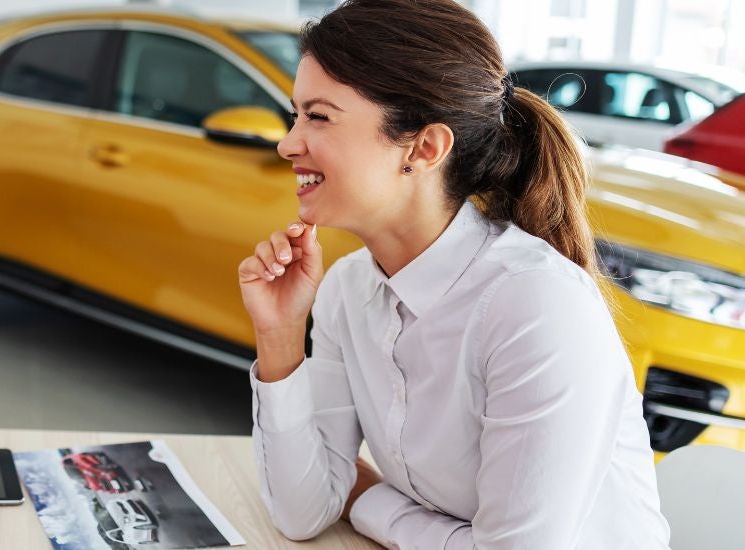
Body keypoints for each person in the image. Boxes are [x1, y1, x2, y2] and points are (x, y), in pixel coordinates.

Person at [237, 1, 670, 547]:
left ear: (425, 147)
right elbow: (303, 512)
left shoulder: (535, 303)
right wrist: (278, 338)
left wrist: (370, 500)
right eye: (295, 114)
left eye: (318, 116)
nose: (287, 142)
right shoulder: (348, 289)